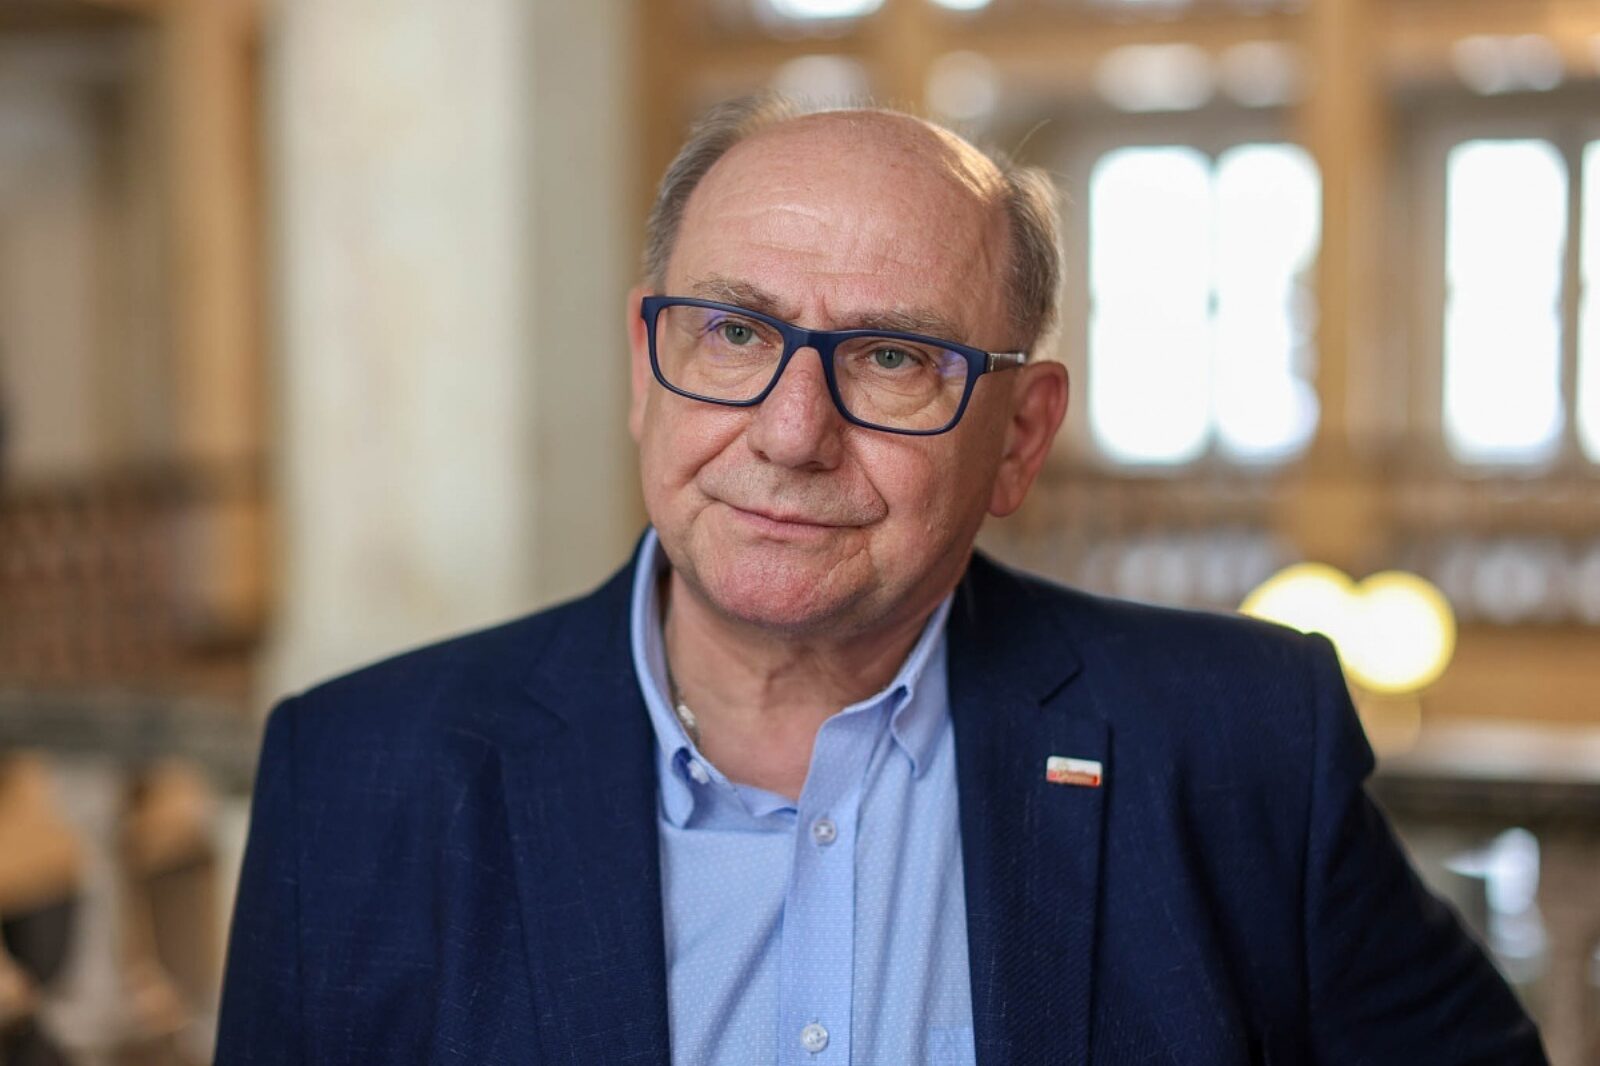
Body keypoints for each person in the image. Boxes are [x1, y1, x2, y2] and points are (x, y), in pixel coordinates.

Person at [215, 96, 1545, 1065]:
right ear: (643, 368)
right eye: (734, 333)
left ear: (1019, 438)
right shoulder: (355, 777)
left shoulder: (1239, 741)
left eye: (894, 359)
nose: (791, 433)